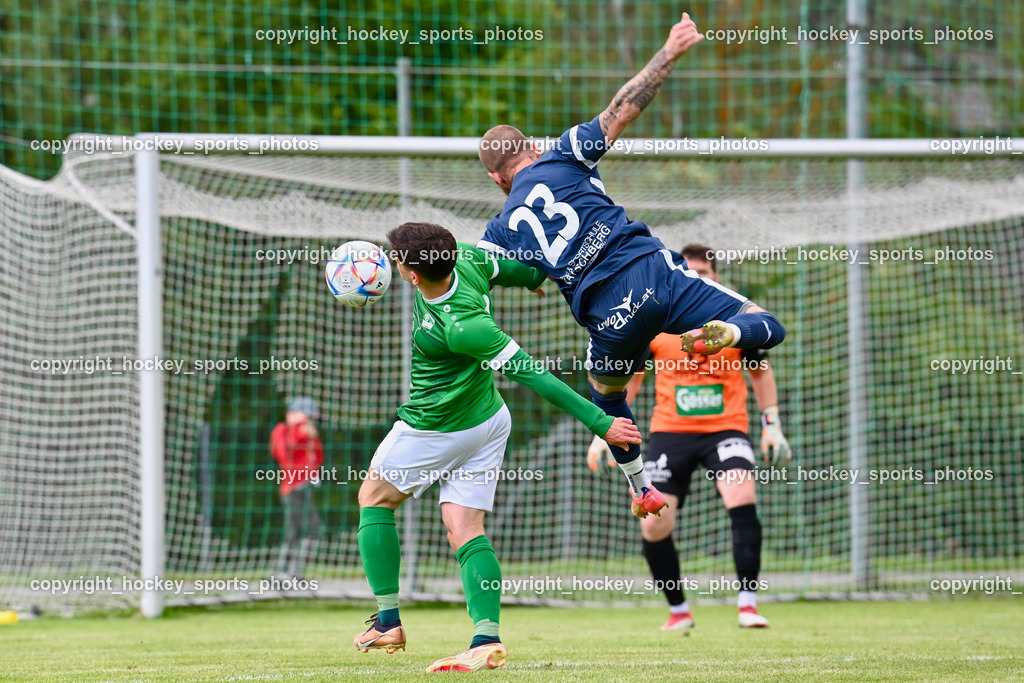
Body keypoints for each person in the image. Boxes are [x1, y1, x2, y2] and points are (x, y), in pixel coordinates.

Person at [476, 11, 785, 520]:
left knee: (607, 401)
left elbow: (525, 278)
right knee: (766, 325)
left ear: (495, 179)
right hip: (655, 276)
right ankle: (730, 334)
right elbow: (622, 109)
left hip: (608, 319)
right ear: (531, 146)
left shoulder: (499, 231)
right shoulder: (564, 154)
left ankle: (641, 487)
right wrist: (669, 52)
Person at [353, 222, 641, 672]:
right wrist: (532, 279)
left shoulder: (461, 327)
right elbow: (506, 268)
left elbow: (532, 372)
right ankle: (486, 637)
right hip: (489, 421)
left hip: (436, 427)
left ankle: (388, 620)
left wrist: (601, 421)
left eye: (397, 259)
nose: (393, 263)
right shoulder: (464, 257)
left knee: (373, 500)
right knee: (464, 528)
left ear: (411, 275)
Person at [587, 245, 792, 629]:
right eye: (691, 273)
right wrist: (603, 430)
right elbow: (628, 381)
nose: (699, 279)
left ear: (716, 277)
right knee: (653, 523)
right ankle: (678, 610)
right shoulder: (657, 321)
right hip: (670, 433)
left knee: (741, 492)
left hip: (725, 429)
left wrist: (772, 423)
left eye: (705, 273)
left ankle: (748, 604)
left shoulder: (736, 321)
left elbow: (760, 372)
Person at [269, 397, 324, 580]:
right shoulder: (282, 430)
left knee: (311, 529)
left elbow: (316, 459)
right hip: (293, 488)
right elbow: (284, 453)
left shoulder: (310, 434)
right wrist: (302, 433)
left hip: (305, 487)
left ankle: (294, 570)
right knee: (295, 530)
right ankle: (282, 571)